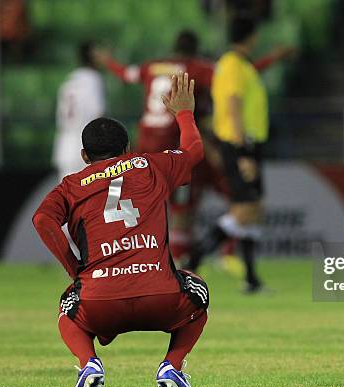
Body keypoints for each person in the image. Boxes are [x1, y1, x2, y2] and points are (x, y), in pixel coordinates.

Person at [33, 72, 208, 387]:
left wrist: (76, 272)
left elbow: (42, 219)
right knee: (198, 290)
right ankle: (172, 366)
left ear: (84, 156)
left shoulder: (71, 185)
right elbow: (194, 152)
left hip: (100, 302)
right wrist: (184, 113)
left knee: (67, 305)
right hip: (162, 297)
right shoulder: (150, 165)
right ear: (128, 148)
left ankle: (89, 364)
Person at [95, 30, 292, 261]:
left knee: (139, 202)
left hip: (144, 143)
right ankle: (190, 260)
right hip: (173, 144)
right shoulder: (196, 68)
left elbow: (125, 74)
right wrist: (272, 58)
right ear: (195, 50)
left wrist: (106, 60)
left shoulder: (153, 66)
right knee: (184, 209)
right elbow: (237, 78)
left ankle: (126, 257)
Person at [186, 17, 269, 293]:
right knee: (245, 210)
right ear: (251, 37)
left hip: (246, 143)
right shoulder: (233, 65)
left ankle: (251, 279)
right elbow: (233, 105)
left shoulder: (235, 64)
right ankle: (193, 259)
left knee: (254, 210)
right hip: (240, 143)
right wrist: (244, 151)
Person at [53, 41, 105, 179]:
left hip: (65, 147)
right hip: (86, 149)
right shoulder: (93, 79)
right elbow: (98, 115)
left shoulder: (69, 81)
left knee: (68, 197)